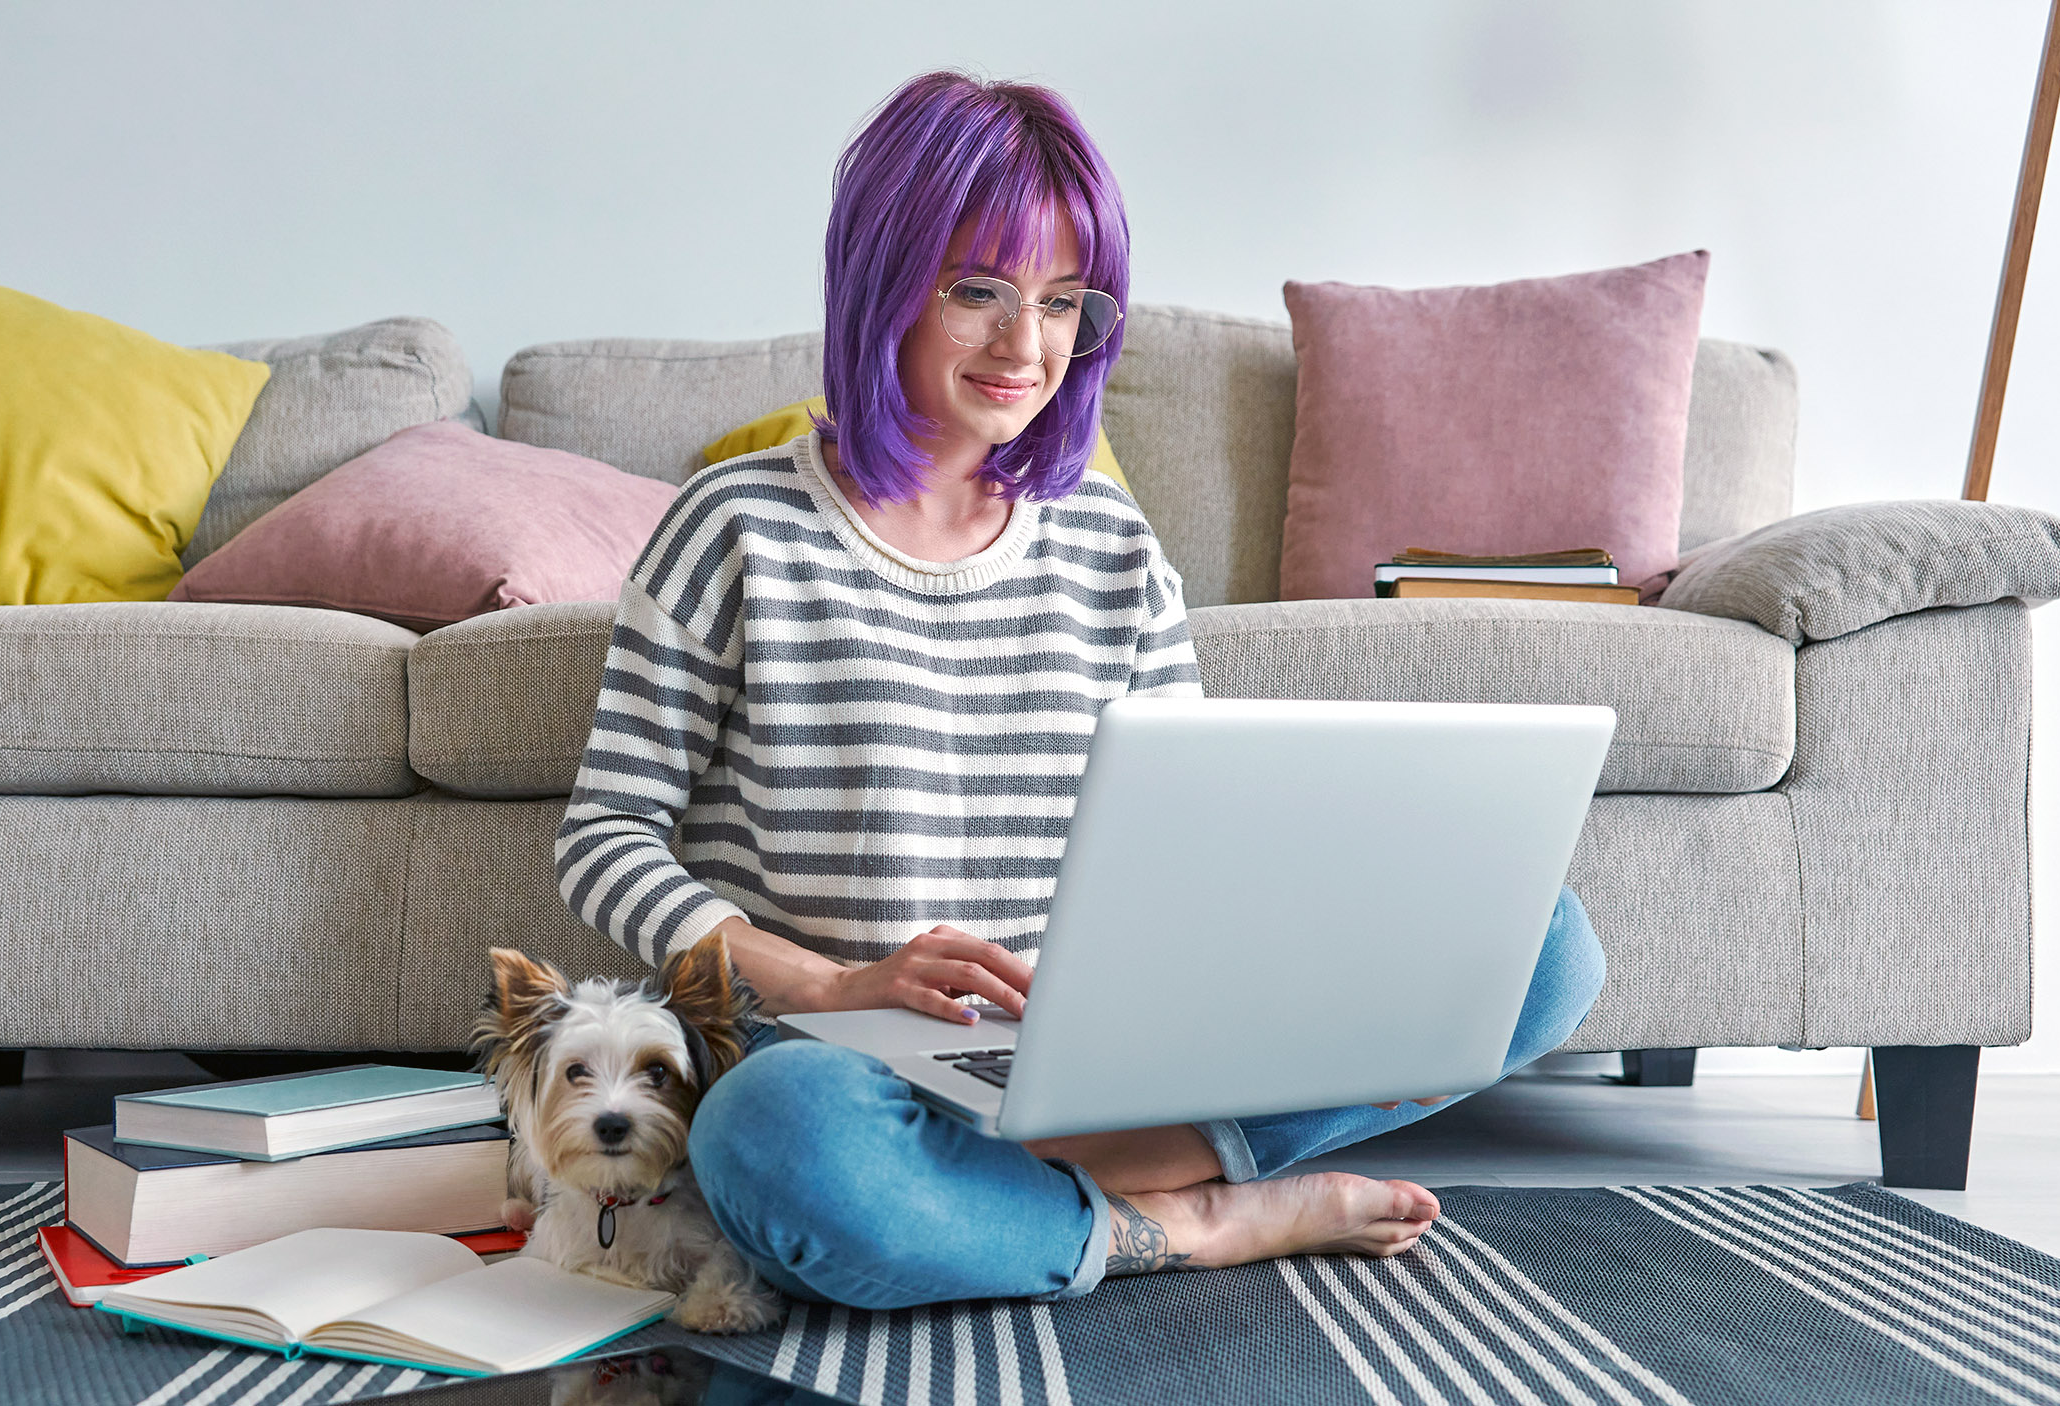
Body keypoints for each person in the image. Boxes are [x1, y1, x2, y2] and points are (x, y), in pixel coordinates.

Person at [555, 70, 1605, 1309]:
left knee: (1540, 940)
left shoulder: (1110, 541)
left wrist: (1256, 988)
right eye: (979, 290)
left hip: (1109, 1061)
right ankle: (1199, 1223)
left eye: (1063, 301)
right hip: (850, 1069)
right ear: (883, 280)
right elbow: (603, 835)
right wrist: (831, 983)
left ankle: (1044, 1192)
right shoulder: (735, 526)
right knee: (767, 1138)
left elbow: (1200, 837)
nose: (1025, 344)